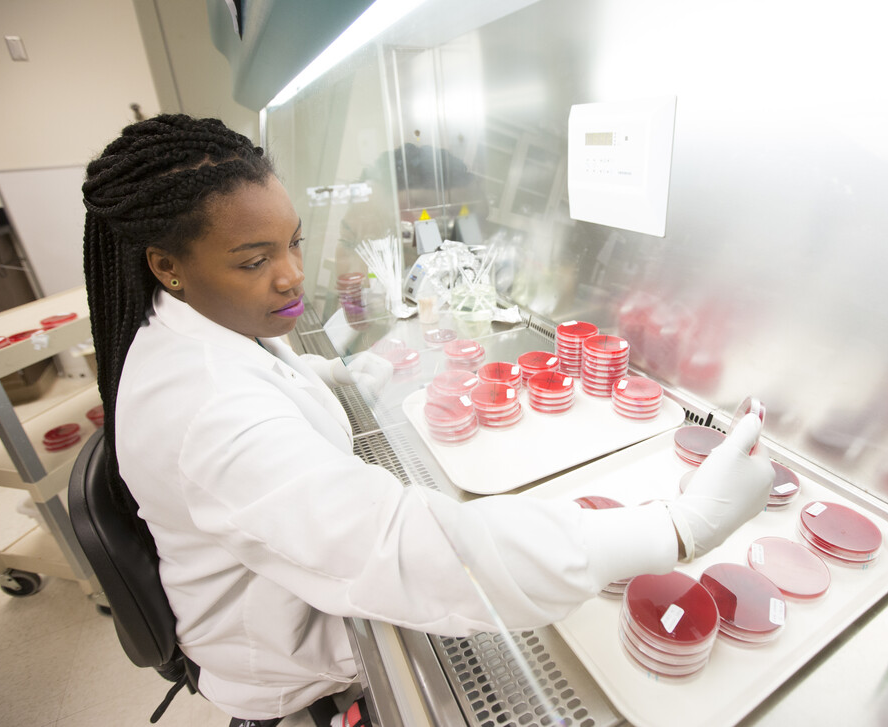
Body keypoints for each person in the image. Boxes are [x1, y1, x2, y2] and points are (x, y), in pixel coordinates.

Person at [81, 114, 773, 727]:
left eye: (294, 243)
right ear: (167, 264)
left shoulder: (190, 330)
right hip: (287, 663)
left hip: (284, 596)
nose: (292, 274)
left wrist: (356, 372)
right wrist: (679, 526)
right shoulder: (204, 407)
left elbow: (268, 387)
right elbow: (410, 549)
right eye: (255, 260)